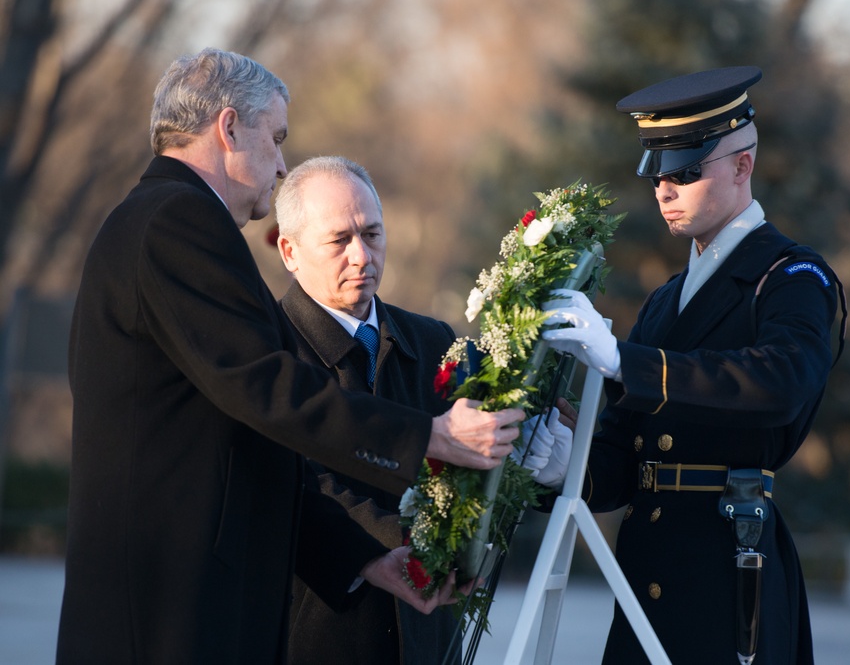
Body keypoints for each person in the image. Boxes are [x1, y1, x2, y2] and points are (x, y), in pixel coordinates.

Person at [57, 48, 523, 664]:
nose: (281, 164)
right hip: (168, 608)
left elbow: (259, 447)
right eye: (275, 138)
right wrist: (430, 435)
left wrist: (369, 561)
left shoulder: (165, 219)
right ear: (228, 128)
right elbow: (270, 391)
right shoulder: (177, 221)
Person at [540, 66, 846, 664]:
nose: (664, 189)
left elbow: (783, 380)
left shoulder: (789, 276)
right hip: (648, 570)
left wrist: (627, 364)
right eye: (657, 171)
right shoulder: (664, 300)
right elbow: (629, 462)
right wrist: (562, 462)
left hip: (729, 565)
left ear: (741, 164)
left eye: (684, 170)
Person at [271, 156, 460, 664]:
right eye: (339, 241)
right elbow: (288, 478)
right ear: (289, 250)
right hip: (316, 629)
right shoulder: (267, 349)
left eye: (372, 234)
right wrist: (383, 546)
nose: (362, 256)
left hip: (426, 634)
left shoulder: (433, 340)